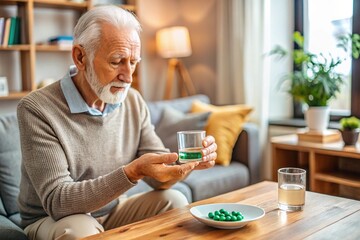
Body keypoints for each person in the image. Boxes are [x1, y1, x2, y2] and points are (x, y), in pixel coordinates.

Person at [16, 5, 217, 240]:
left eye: (133, 62)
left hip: (111, 210)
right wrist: (132, 172)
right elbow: (58, 202)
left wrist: (188, 162)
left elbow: (159, 179)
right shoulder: (36, 109)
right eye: (116, 62)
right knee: (78, 230)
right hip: (53, 219)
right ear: (80, 57)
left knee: (174, 200)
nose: (128, 76)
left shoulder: (132, 100)